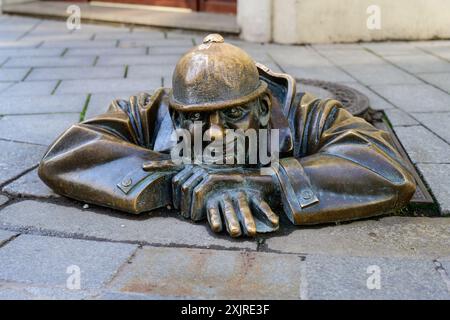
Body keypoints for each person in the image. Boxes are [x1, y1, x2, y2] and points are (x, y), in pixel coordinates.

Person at [39, 34, 416, 237]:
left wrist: (264, 181)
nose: (216, 134)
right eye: (198, 119)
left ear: (265, 107)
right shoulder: (150, 110)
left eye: (234, 114)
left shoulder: (309, 114)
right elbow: (68, 152)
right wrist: (173, 177)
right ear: (176, 114)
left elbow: (386, 170)